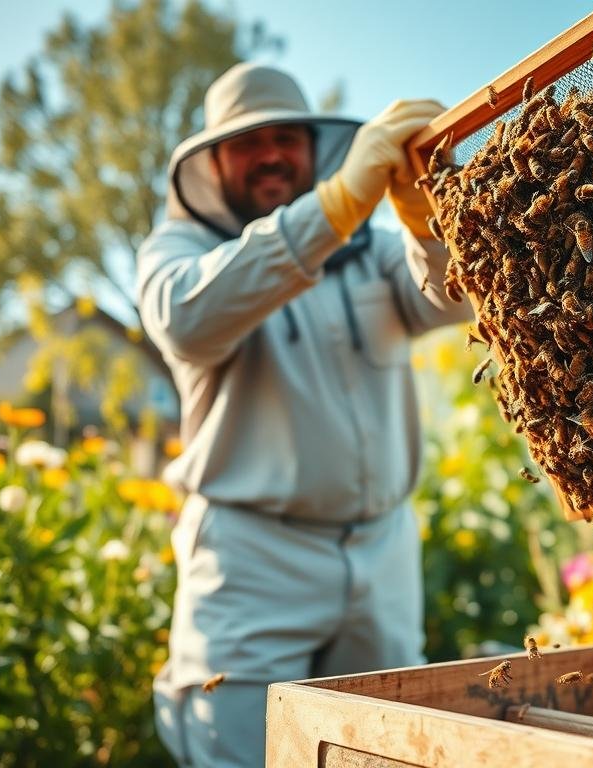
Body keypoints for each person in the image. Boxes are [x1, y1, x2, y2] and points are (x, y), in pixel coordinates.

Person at [136, 62, 470, 767]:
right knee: (239, 749)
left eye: (284, 137)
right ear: (212, 160)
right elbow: (188, 320)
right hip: (252, 556)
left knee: (384, 750)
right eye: (247, 142)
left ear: (311, 148)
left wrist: (426, 221)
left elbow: (453, 298)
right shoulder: (180, 251)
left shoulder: (373, 254)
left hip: (383, 549)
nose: (269, 154)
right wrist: (339, 204)